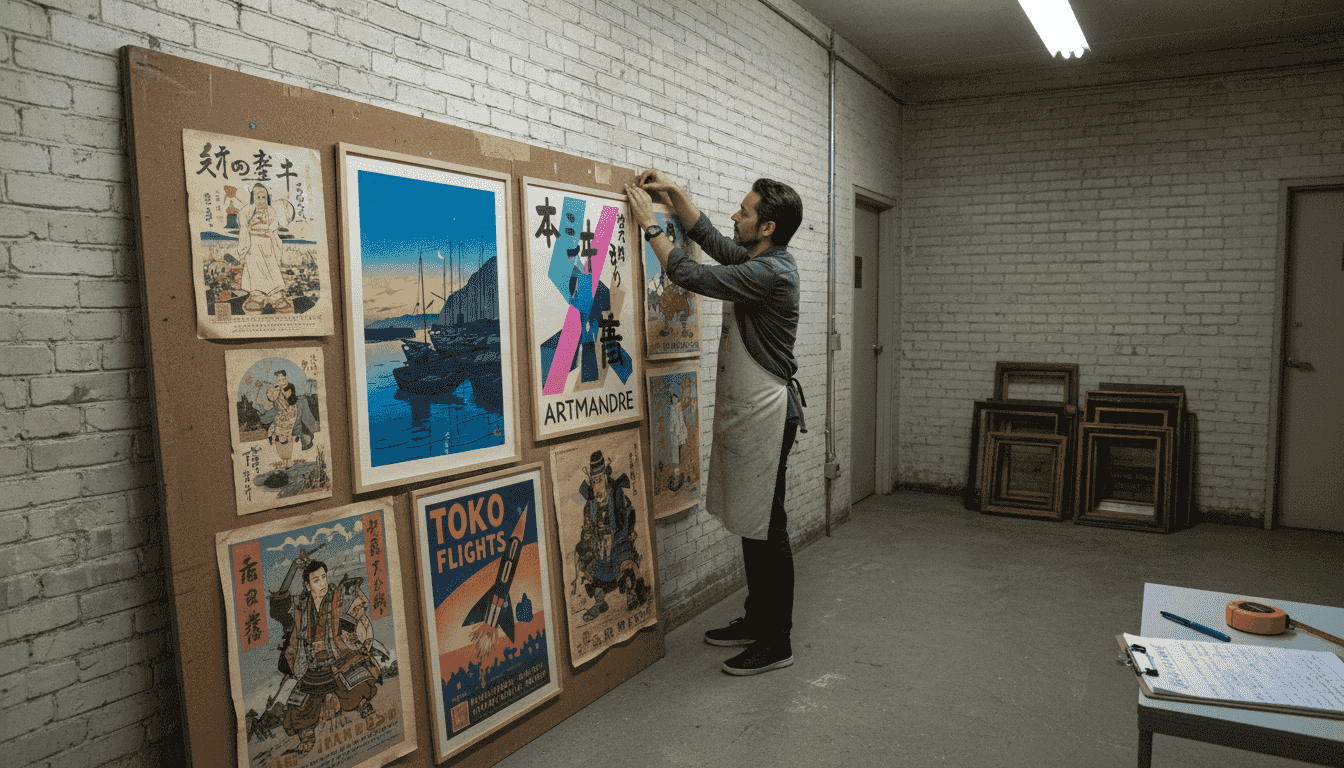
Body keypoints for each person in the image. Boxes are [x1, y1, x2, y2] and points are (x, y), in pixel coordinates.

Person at [625, 171, 805, 676]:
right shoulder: (761, 259)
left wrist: (650, 226)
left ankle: (777, 640)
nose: (735, 215)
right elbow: (713, 241)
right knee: (753, 522)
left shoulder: (770, 273)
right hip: (754, 413)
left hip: (768, 415)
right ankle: (757, 618)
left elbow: (691, 275)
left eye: (745, 212)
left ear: (766, 227)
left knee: (768, 528)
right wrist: (673, 195)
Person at [275, 560, 381, 755]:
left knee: (357, 683)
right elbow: (278, 607)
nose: (323, 583)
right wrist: (292, 568)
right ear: (307, 585)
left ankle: (367, 711)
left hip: (337, 656)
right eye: (316, 580)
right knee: (298, 707)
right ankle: (307, 738)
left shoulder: (336, 596)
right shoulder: (299, 605)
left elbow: (358, 598)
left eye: (324, 577)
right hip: (312, 664)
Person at [236, 182, 293, 314]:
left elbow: (273, 229)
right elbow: (243, 227)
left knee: (271, 269)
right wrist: (244, 246)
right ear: (252, 198)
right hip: (252, 245)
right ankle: (256, 297)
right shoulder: (246, 210)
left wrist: (276, 245)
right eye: (258, 197)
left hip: (267, 243)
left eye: (263, 197)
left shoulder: (271, 211)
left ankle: (277, 297)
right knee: (254, 270)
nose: (261, 200)